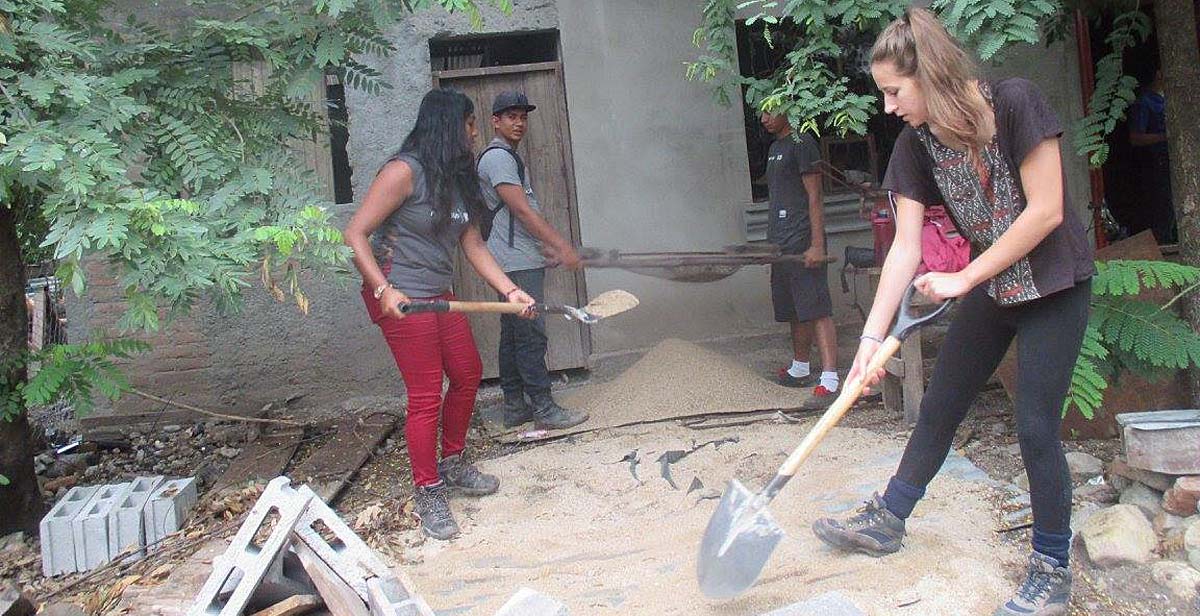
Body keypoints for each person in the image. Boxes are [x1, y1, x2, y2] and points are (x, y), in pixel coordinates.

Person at [810, 8, 1094, 616]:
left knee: (1036, 428)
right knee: (941, 402)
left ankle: (1051, 568)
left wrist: (965, 275)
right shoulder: (917, 144)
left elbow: (1045, 210)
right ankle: (888, 519)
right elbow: (905, 249)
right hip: (995, 290)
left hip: (1054, 286)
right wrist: (868, 341)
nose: (887, 106)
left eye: (893, 91)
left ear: (931, 75)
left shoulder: (1015, 103)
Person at [343, 89, 538, 541]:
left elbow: (472, 244)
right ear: (449, 125)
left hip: (437, 292)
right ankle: (427, 489)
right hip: (398, 295)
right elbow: (355, 233)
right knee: (427, 392)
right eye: (470, 123)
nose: (475, 131)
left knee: (468, 372)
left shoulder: (458, 178)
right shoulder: (403, 171)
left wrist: (510, 290)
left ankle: (451, 462)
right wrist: (383, 288)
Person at [477, 91, 588, 430]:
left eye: (523, 116)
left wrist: (544, 249)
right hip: (514, 262)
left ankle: (514, 406)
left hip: (516, 257)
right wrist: (563, 246)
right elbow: (522, 211)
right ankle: (544, 408)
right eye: (511, 116)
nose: (519, 122)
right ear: (495, 121)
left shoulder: (506, 156)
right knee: (530, 334)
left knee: (513, 334)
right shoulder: (497, 158)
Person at [759, 111, 839, 396]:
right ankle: (800, 367)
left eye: (769, 111)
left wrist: (816, 244)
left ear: (786, 110)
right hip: (780, 241)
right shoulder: (774, 148)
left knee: (816, 306)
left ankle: (830, 377)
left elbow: (815, 196)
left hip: (803, 237)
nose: (763, 118)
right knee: (794, 307)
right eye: (760, 112)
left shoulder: (802, 142)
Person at [1128, 67, 1175, 244]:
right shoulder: (1145, 102)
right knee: (1163, 208)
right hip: (1156, 164)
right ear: (1159, 73)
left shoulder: (1169, 99)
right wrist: (1167, 136)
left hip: (1171, 163)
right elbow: (1135, 137)